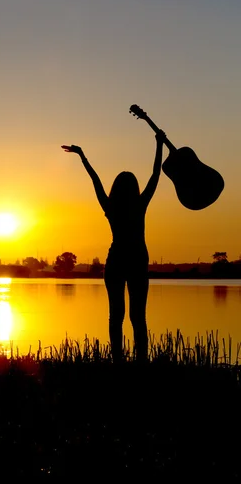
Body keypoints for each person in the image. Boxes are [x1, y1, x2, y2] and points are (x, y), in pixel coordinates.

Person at [62, 129, 166, 363]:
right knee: (138, 317)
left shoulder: (110, 206)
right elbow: (154, 175)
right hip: (136, 260)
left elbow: (95, 180)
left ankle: (118, 361)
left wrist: (83, 157)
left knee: (116, 316)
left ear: (116, 189)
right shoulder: (140, 204)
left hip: (118, 261)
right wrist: (159, 144)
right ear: (134, 189)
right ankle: (140, 362)